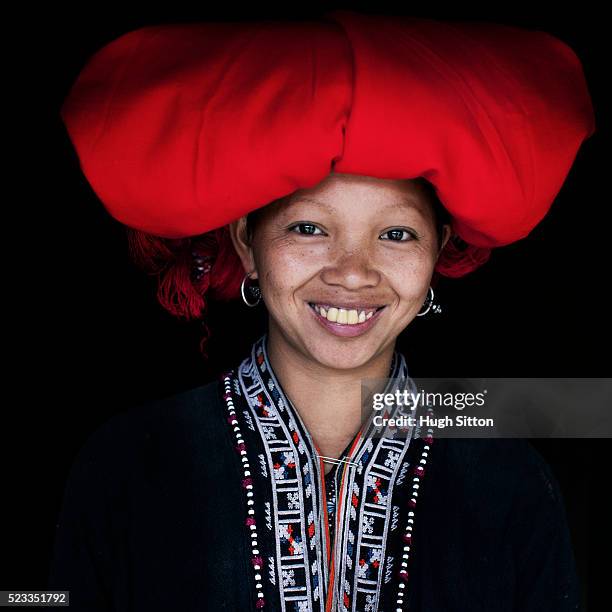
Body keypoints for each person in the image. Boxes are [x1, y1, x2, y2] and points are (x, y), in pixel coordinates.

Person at [49, 9, 595, 611]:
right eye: (309, 227)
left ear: (439, 251)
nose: (352, 272)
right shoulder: (129, 463)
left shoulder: (511, 478)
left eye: (397, 235)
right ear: (245, 244)